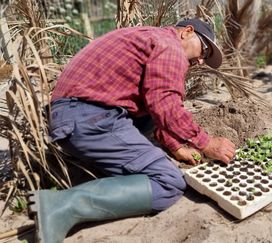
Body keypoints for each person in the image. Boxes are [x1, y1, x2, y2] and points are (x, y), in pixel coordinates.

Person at [28, 18, 236, 243]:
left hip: (75, 114)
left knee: (149, 123)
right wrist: (206, 143)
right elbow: (164, 103)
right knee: (168, 182)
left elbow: (152, 105)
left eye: (205, 58)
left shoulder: (148, 37)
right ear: (187, 31)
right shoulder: (170, 46)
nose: (200, 60)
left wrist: (175, 146)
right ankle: (61, 206)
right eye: (204, 50)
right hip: (89, 117)